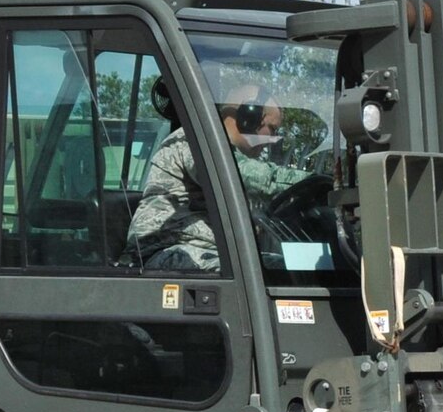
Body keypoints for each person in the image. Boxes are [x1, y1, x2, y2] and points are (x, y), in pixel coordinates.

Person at [124, 78, 308, 273]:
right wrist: (316, 182)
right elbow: (254, 177)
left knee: (295, 268)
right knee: (272, 271)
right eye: (272, 129)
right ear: (249, 119)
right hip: (162, 253)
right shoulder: (193, 140)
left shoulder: (228, 154)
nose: (272, 140)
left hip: (208, 253)